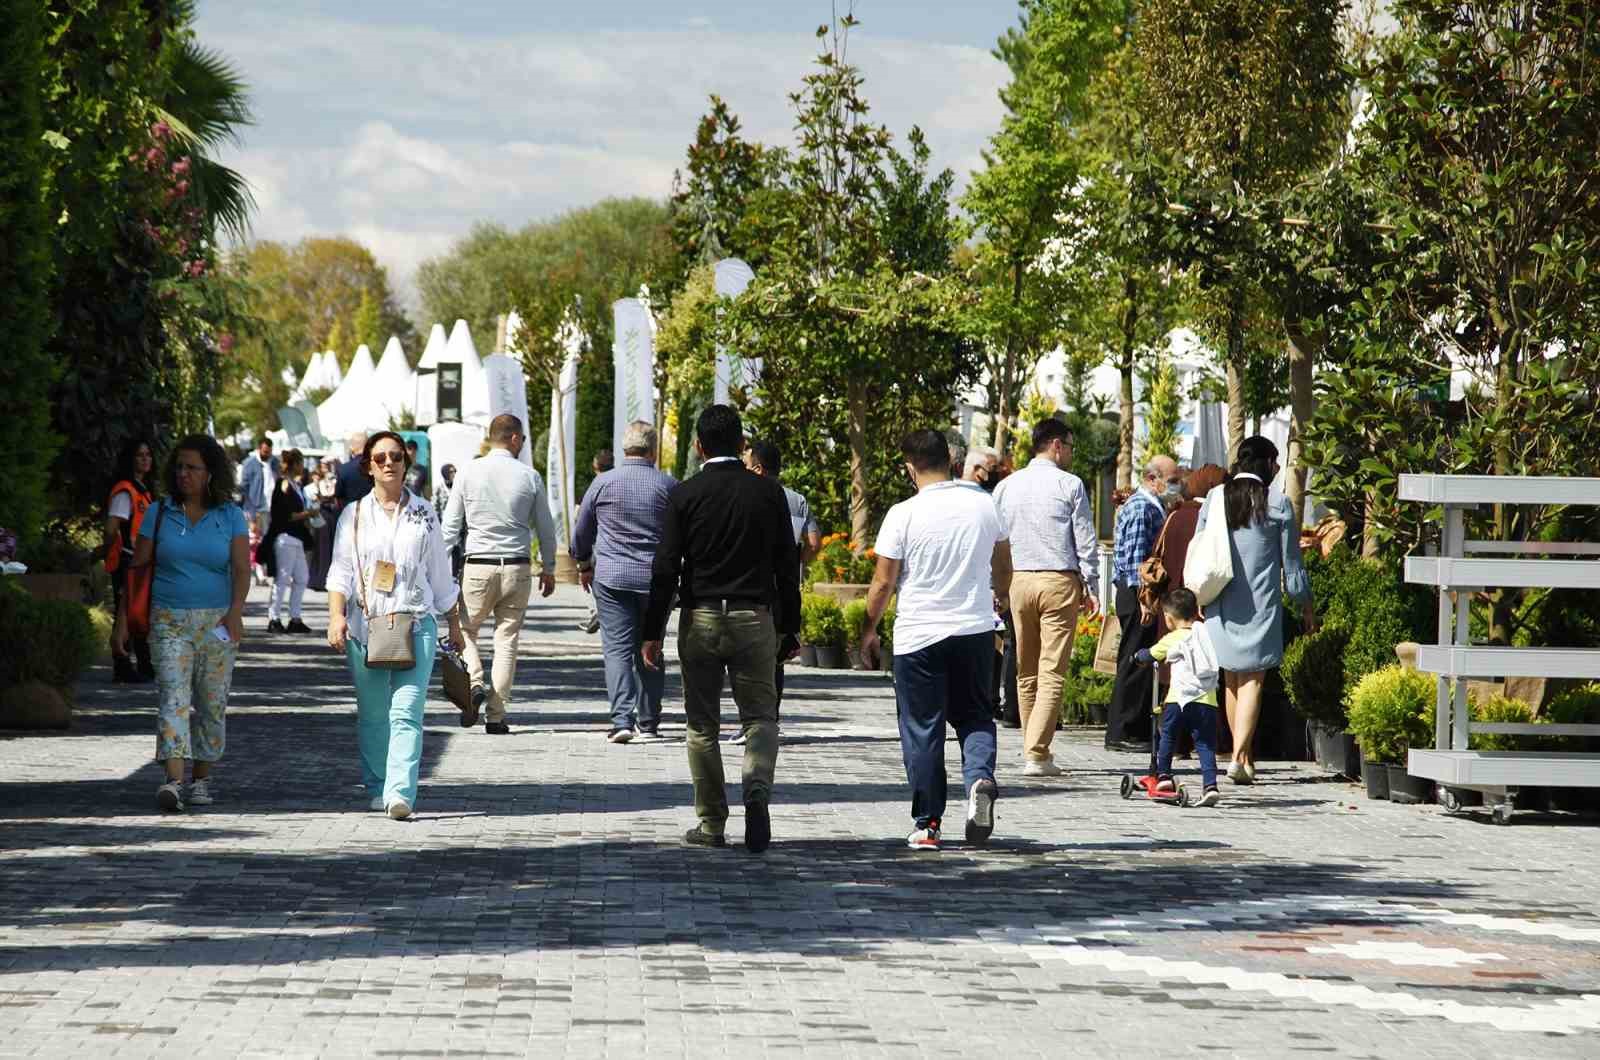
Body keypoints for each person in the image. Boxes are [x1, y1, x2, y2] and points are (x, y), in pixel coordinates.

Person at [642, 404, 800, 854]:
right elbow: (788, 567)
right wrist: (791, 628)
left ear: (697, 446)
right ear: (742, 444)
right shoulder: (769, 494)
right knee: (761, 718)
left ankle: (712, 822)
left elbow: (666, 566)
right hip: (756, 620)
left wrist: (651, 630)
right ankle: (757, 789)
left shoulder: (684, 495)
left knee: (701, 725)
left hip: (702, 619)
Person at [862, 429, 1012, 851]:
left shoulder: (903, 513)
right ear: (950, 460)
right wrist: (999, 598)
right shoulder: (986, 505)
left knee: (923, 728)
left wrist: (868, 629)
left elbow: (883, 581)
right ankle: (979, 777)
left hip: (919, 636)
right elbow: (1004, 565)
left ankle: (928, 824)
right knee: (976, 715)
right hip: (975, 631)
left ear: (910, 467)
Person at [326, 431, 464, 819]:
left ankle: (400, 792)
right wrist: (336, 615)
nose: (389, 463)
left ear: (406, 463)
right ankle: (376, 784)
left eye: (396, 457)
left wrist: (454, 623)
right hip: (365, 625)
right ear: (368, 466)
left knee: (406, 711)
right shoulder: (353, 516)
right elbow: (340, 573)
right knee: (373, 713)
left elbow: (439, 572)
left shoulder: (424, 513)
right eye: (380, 458)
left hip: (415, 622)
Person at [114, 434, 250, 813]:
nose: (183, 474)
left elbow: (242, 568)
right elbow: (137, 569)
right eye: (179, 467)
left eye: (192, 468)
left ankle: (202, 779)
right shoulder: (159, 512)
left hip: (218, 622)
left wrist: (236, 610)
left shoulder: (230, 515)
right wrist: (122, 621)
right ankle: (173, 780)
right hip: (168, 620)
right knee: (173, 698)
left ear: (210, 473)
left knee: (210, 703)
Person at [1198, 436, 1317, 783]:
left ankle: (1244, 759)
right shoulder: (1277, 502)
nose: (1278, 468)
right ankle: (1238, 756)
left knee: (1232, 679)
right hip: (1261, 602)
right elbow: (1291, 564)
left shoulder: (1215, 499)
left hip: (1220, 600)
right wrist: (1304, 602)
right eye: (1275, 462)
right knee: (1253, 680)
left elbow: (1200, 546)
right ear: (1264, 464)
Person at [991, 418, 1102, 776]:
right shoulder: (1070, 484)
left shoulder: (1006, 486)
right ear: (1056, 445)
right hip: (1058, 579)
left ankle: (1033, 749)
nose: (1070, 452)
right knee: (1052, 670)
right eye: (1069, 445)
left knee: (1026, 670)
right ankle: (1036, 753)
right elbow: (1084, 538)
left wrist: (995, 585)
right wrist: (1092, 584)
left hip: (1018, 581)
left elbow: (996, 539)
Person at [442, 414, 558, 734]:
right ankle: (496, 716)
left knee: (466, 630)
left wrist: (436, 569)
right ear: (516, 439)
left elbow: (450, 528)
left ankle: (476, 680)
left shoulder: (467, 472)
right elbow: (546, 529)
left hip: (478, 565)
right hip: (518, 567)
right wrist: (548, 568)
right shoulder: (530, 476)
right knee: (507, 639)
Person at [572, 421, 677, 742]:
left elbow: (582, 531)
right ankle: (649, 722)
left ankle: (621, 721)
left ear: (624, 448)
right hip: (656, 580)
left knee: (617, 649)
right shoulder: (669, 485)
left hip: (613, 577)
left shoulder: (603, 483)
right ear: (653, 449)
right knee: (652, 645)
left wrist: (583, 562)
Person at [740, 438, 820, 742]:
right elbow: (813, 543)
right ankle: (770, 717)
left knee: (750, 654)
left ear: (758, 468)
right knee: (777, 654)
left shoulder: (749, 494)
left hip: (756, 584)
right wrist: (798, 561)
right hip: (787, 585)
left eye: (747, 464)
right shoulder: (797, 500)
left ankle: (751, 721)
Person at [1105, 454, 1183, 753]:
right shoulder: (1141, 508)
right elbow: (1139, 559)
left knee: (1138, 658)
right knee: (1134, 661)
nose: (1175, 485)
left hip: (1138, 593)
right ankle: (1122, 730)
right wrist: (1146, 600)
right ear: (1153, 479)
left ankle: (1130, 727)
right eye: (1171, 479)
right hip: (1138, 594)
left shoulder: (1151, 506)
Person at [1133, 588, 1222, 807]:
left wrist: (1137, 656)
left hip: (1177, 700)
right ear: (1195, 612)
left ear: (1169, 618)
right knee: (1205, 744)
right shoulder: (1205, 636)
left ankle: (1163, 777)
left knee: (1168, 738)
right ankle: (1210, 785)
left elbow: (1150, 655)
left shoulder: (1171, 639)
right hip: (1206, 700)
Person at [962, 446, 1016, 725]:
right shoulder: (979, 503)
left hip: (987, 588)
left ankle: (991, 700)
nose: (995, 475)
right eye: (993, 470)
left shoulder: (989, 500)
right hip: (974, 589)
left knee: (997, 645)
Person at [104, 438, 157, 683]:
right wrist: (108, 549)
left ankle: (144, 665)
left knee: (139, 614)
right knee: (126, 612)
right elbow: (112, 527)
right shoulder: (126, 490)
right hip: (127, 559)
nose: (145, 459)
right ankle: (122, 665)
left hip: (142, 561)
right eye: (140, 455)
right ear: (130, 459)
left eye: (148, 454)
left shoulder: (144, 491)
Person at [262, 448, 317, 635]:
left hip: (296, 537)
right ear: (295, 464)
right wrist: (308, 513)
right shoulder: (283, 484)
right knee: (283, 578)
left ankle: (295, 617)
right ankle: (274, 617)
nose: (303, 467)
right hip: (285, 536)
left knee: (302, 578)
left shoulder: (294, 484)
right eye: (301, 463)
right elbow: (285, 515)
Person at [577, 449, 615, 636]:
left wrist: (582, 562)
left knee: (587, 578)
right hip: (618, 549)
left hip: (597, 547)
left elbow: (581, 526)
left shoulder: (593, 488)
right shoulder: (619, 483)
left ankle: (596, 612)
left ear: (595, 467)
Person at [239, 437, 279, 586]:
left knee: (269, 540)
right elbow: (244, 488)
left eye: (269, 452)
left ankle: (268, 570)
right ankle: (260, 574)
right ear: (259, 449)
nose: (267, 454)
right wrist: (250, 512)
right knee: (256, 541)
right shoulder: (250, 464)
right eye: (264, 452)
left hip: (271, 508)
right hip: (256, 508)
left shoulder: (274, 462)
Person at [335, 432, 371, 509]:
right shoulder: (377, 465)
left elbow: (338, 497)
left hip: (353, 515)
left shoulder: (343, 469)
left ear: (352, 447)